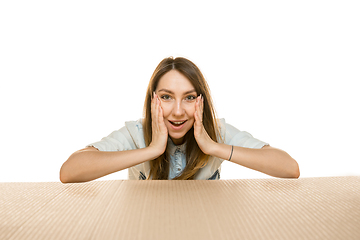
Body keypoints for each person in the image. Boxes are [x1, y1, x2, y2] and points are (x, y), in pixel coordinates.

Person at [60, 57, 300, 183]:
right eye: (166, 97)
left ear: (201, 101)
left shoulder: (216, 132)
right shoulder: (136, 133)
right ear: (152, 99)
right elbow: (70, 171)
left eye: (188, 98)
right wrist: (152, 150)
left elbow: (289, 168)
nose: (177, 112)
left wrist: (214, 147)